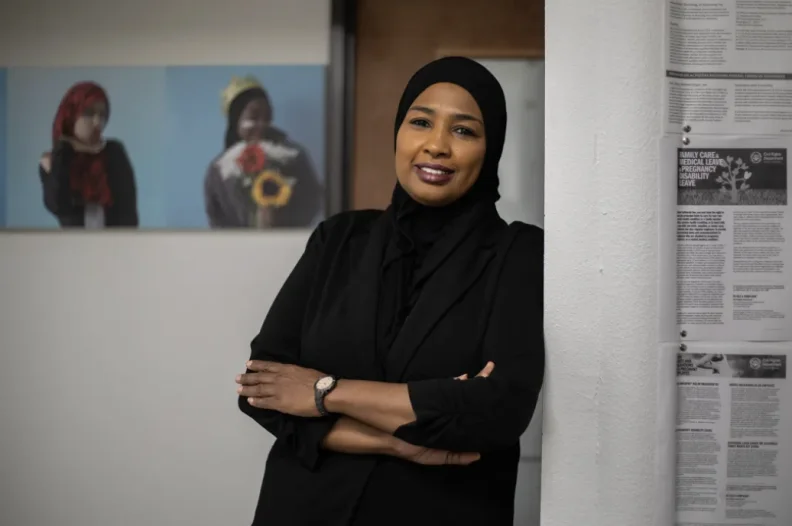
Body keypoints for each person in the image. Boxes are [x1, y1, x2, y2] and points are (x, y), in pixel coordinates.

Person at [234, 56, 545, 526]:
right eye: (420, 122)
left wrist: (323, 392)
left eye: (464, 131)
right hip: (303, 510)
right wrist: (395, 437)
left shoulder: (517, 252)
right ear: (399, 133)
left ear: (491, 148)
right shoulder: (338, 239)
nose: (436, 145)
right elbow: (261, 389)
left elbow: (497, 411)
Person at [204, 76, 324, 228]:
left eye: (267, 117)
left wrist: (280, 219)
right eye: (253, 117)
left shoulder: (294, 157)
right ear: (235, 121)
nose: (262, 125)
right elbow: (215, 218)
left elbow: (313, 200)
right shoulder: (218, 170)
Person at [38, 81, 139, 228]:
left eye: (102, 115)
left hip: (115, 247)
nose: (98, 122)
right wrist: (64, 149)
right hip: (73, 248)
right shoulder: (57, 159)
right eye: (88, 113)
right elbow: (59, 206)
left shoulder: (113, 153)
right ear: (71, 115)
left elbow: (128, 216)